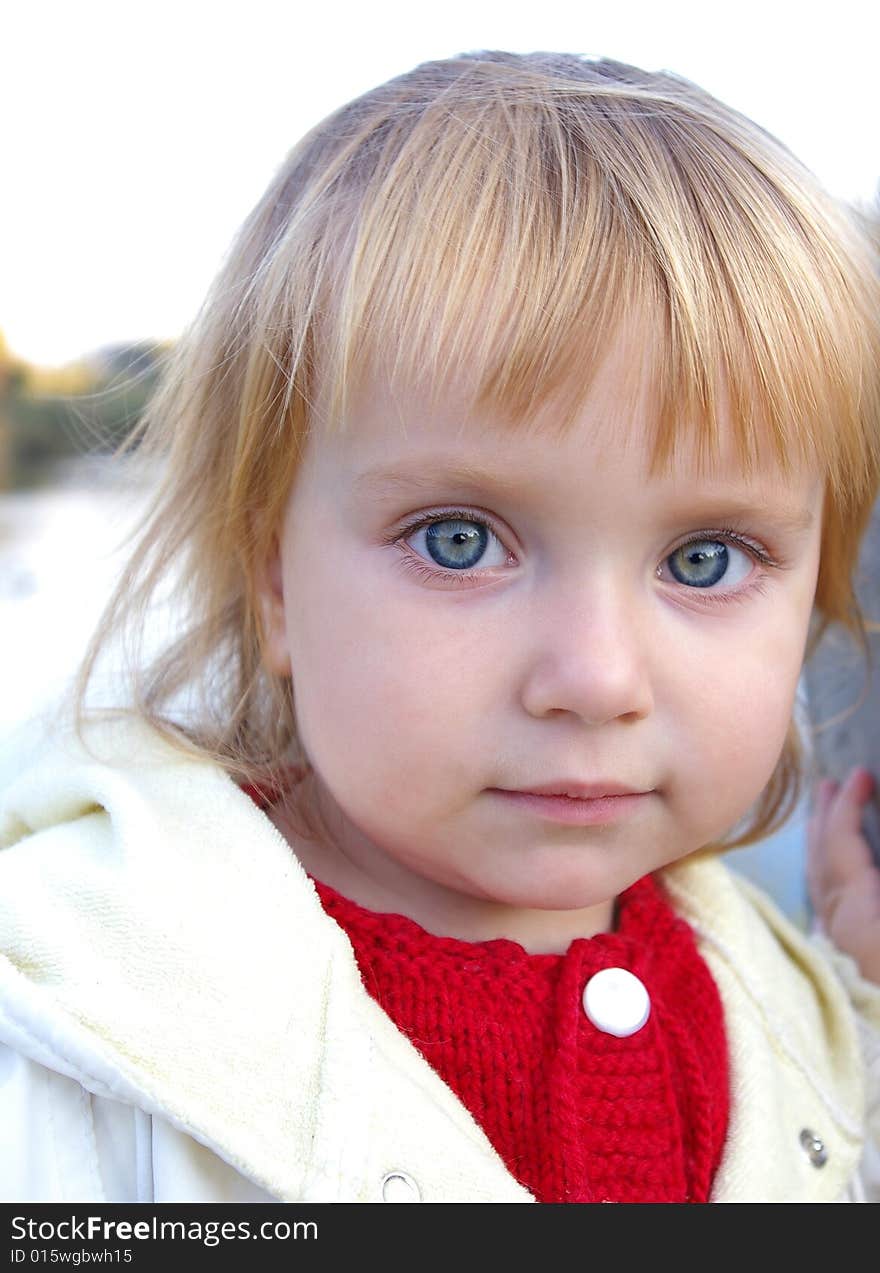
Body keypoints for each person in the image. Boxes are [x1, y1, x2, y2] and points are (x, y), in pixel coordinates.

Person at [1, 49, 879, 1205]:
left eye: (704, 559)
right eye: (458, 540)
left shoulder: (791, 1012)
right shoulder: (69, 1028)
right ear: (273, 582)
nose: (596, 678)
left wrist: (854, 1022)